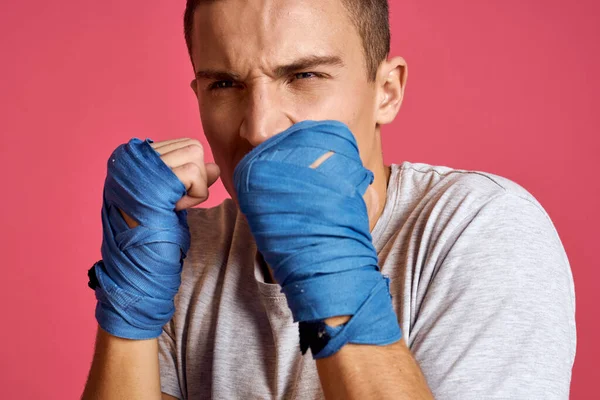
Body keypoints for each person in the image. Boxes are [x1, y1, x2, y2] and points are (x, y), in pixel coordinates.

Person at [81, 0, 577, 399]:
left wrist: (332, 271)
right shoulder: (181, 252)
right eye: (225, 84)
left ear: (387, 91)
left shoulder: (479, 229)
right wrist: (129, 308)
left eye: (304, 76)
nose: (257, 127)